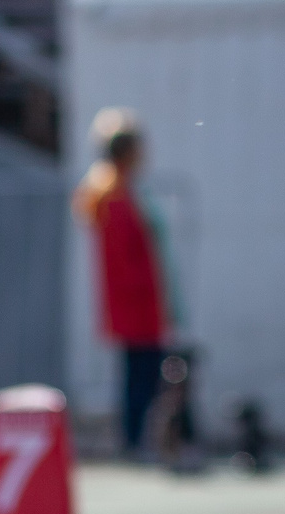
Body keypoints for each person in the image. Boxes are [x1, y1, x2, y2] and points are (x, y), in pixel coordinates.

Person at [73, 109, 197, 463]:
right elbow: (124, 260)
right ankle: (134, 440)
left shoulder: (119, 190)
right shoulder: (112, 194)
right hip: (136, 304)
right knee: (140, 376)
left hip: (143, 303)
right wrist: (147, 297)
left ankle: (141, 438)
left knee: (142, 374)